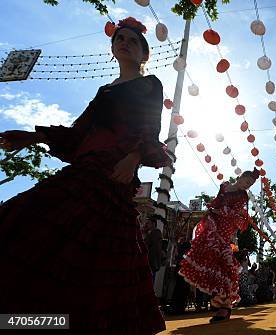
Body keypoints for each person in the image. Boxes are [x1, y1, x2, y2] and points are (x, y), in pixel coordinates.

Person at [0, 17, 169, 333]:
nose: (124, 42)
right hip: (86, 168)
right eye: (119, 38)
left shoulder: (150, 84)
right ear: (112, 48)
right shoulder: (104, 90)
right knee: (33, 227)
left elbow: (151, 128)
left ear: (144, 54)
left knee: (95, 258)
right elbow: (79, 133)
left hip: (115, 172)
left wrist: (133, 158)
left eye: (133, 40)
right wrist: (33, 136)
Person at [178, 169, 259, 323]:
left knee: (223, 262)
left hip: (225, 226)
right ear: (240, 177)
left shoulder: (243, 196)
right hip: (212, 221)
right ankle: (218, 299)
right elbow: (217, 200)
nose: (248, 185)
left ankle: (225, 305)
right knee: (206, 256)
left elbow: (234, 213)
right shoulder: (225, 186)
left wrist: (218, 209)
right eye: (247, 181)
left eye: (251, 184)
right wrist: (213, 207)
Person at [144, 218, 163, 285]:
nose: (146, 225)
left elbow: (148, 244)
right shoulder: (156, 232)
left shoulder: (155, 232)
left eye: (148, 223)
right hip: (153, 260)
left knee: (149, 280)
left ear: (153, 224)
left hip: (152, 260)